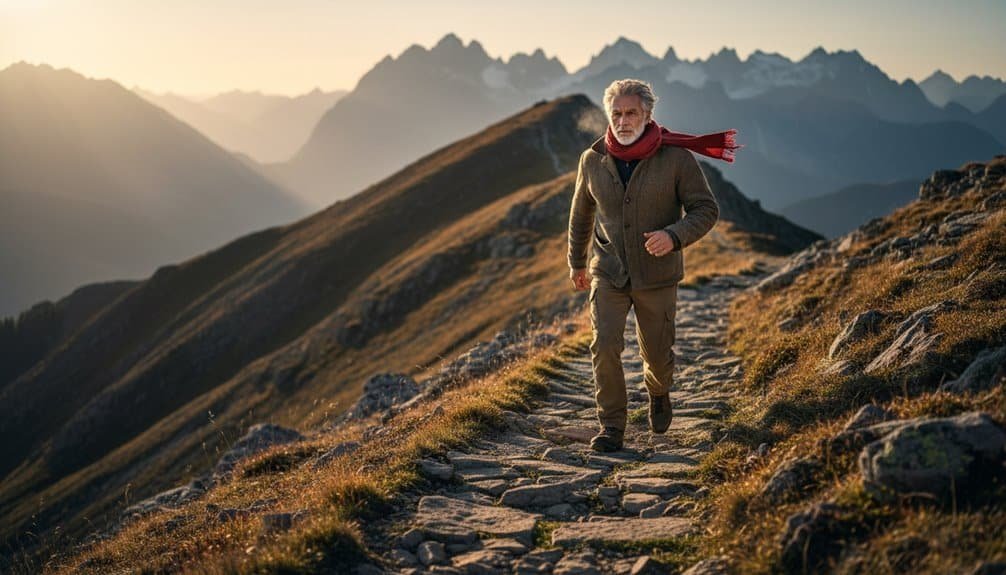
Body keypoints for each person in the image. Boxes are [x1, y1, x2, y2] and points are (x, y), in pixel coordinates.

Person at [567, 78, 740, 452]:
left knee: (657, 356)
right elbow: (581, 214)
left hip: (658, 276)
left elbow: (706, 210)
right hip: (609, 270)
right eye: (616, 113)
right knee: (604, 345)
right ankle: (612, 426)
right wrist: (577, 262)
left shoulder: (677, 159)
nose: (623, 121)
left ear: (648, 115)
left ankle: (659, 392)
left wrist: (674, 236)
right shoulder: (592, 159)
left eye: (631, 113)